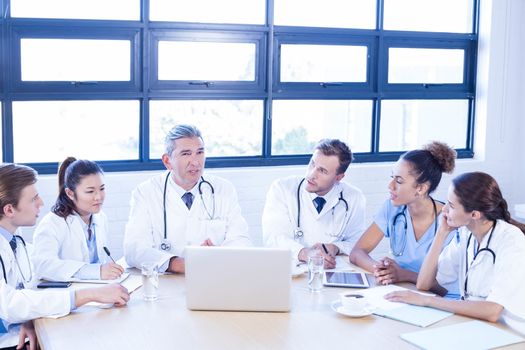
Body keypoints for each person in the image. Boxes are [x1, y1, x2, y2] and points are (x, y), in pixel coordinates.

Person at [0, 163, 129, 350]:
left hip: (20, 332)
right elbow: (9, 303)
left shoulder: (16, 242)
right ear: (10, 210)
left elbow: (26, 287)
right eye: (34, 198)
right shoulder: (49, 226)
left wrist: (28, 318)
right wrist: (88, 295)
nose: (41, 203)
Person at [385, 172, 525, 335]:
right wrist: (441, 233)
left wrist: (428, 301)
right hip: (477, 326)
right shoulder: (466, 235)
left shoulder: (512, 241)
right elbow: (424, 283)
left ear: (474, 214)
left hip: (512, 332)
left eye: (451, 206)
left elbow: (492, 311)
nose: (443, 209)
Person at [124, 124, 252, 274]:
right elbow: (134, 248)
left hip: (214, 276)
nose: (195, 161)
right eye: (186, 154)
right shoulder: (146, 192)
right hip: (166, 280)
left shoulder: (223, 189)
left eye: (200, 152)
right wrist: (179, 264)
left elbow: (241, 240)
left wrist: (220, 255)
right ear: (167, 161)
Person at [350, 141, 457, 288]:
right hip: (403, 291)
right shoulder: (392, 208)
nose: (390, 186)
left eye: (399, 181)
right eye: (392, 177)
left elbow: (447, 287)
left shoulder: (449, 222)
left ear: (420, 188)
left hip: (437, 300)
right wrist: (381, 270)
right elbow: (357, 252)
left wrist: (404, 274)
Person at [262, 139, 366, 269]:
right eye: (312, 164)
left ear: (339, 177)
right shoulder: (282, 189)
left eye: (322, 171)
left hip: (332, 272)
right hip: (291, 270)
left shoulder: (354, 197)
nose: (311, 174)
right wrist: (305, 253)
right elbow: (273, 238)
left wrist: (336, 248)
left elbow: (358, 243)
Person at [32, 157, 124, 282]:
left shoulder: (100, 218)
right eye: (90, 191)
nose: (98, 197)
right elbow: (43, 266)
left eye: (102, 189)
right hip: (68, 296)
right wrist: (96, 271)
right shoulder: (52, 224)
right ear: (70, 193)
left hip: (99, 291)